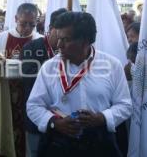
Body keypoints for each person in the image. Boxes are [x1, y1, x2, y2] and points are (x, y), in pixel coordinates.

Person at [27, 11, 132, 157]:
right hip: (58, 144)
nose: (59, 45)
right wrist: (54, 122)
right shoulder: (49, 67)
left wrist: (102, 118)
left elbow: (125, 105)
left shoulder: (112, 65)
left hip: (100, 144)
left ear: (85, 41)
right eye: (58, 39)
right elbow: (33, 105)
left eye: (65, 40)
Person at [0, 3, 42, 157]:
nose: (27, 28)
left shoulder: (40, 41)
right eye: (23, 23)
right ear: (15, 19)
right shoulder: (0, 39)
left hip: (29, 95)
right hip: (5, 94)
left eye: (32, 24)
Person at [20, 8, 67, 157]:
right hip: (38, 119)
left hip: (66, 122)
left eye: (68, 35)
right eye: (60, 32)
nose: (63, 40)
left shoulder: (72, 51)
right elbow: (29, 79)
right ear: (51, 28)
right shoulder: (31, 48)